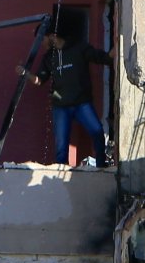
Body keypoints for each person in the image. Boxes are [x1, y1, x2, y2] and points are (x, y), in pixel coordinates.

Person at [17, 30, 112, 166]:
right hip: (60, 106)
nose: (41, 44)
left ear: (52, 36)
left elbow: (100, 57)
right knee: (61, 145)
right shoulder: (49, 57)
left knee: (97, 132)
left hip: (82, 103)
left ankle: (101, 166)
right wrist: (25, 73)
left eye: (42, 39)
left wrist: (113, 53)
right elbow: (39, 80)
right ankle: (61, 174)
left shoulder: (78, 48)